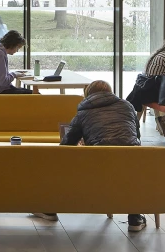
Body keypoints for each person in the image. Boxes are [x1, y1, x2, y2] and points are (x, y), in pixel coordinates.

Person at [61, 81, 146, 232]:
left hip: (99, 164)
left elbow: (66, 146)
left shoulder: (82, 112)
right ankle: (134, 217)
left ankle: (49, 208)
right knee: (130, 169)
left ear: (88, 95)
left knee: (59, 165)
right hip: (131, 162)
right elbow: (136, 136)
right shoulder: (127, 106)